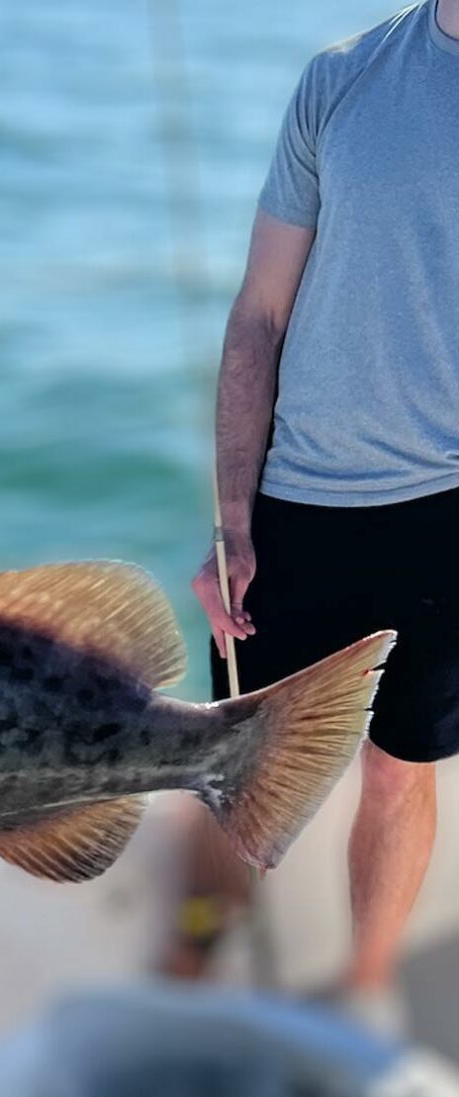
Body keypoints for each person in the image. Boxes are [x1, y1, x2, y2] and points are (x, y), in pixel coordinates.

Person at [176, 0, 459, 1029]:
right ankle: (186, 980)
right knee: (233, 765)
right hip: (295, 504)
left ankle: (362, 999)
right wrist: (230, 518)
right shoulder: (337, 81)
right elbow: (257, 315)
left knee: (397, 772)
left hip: (444, 515)